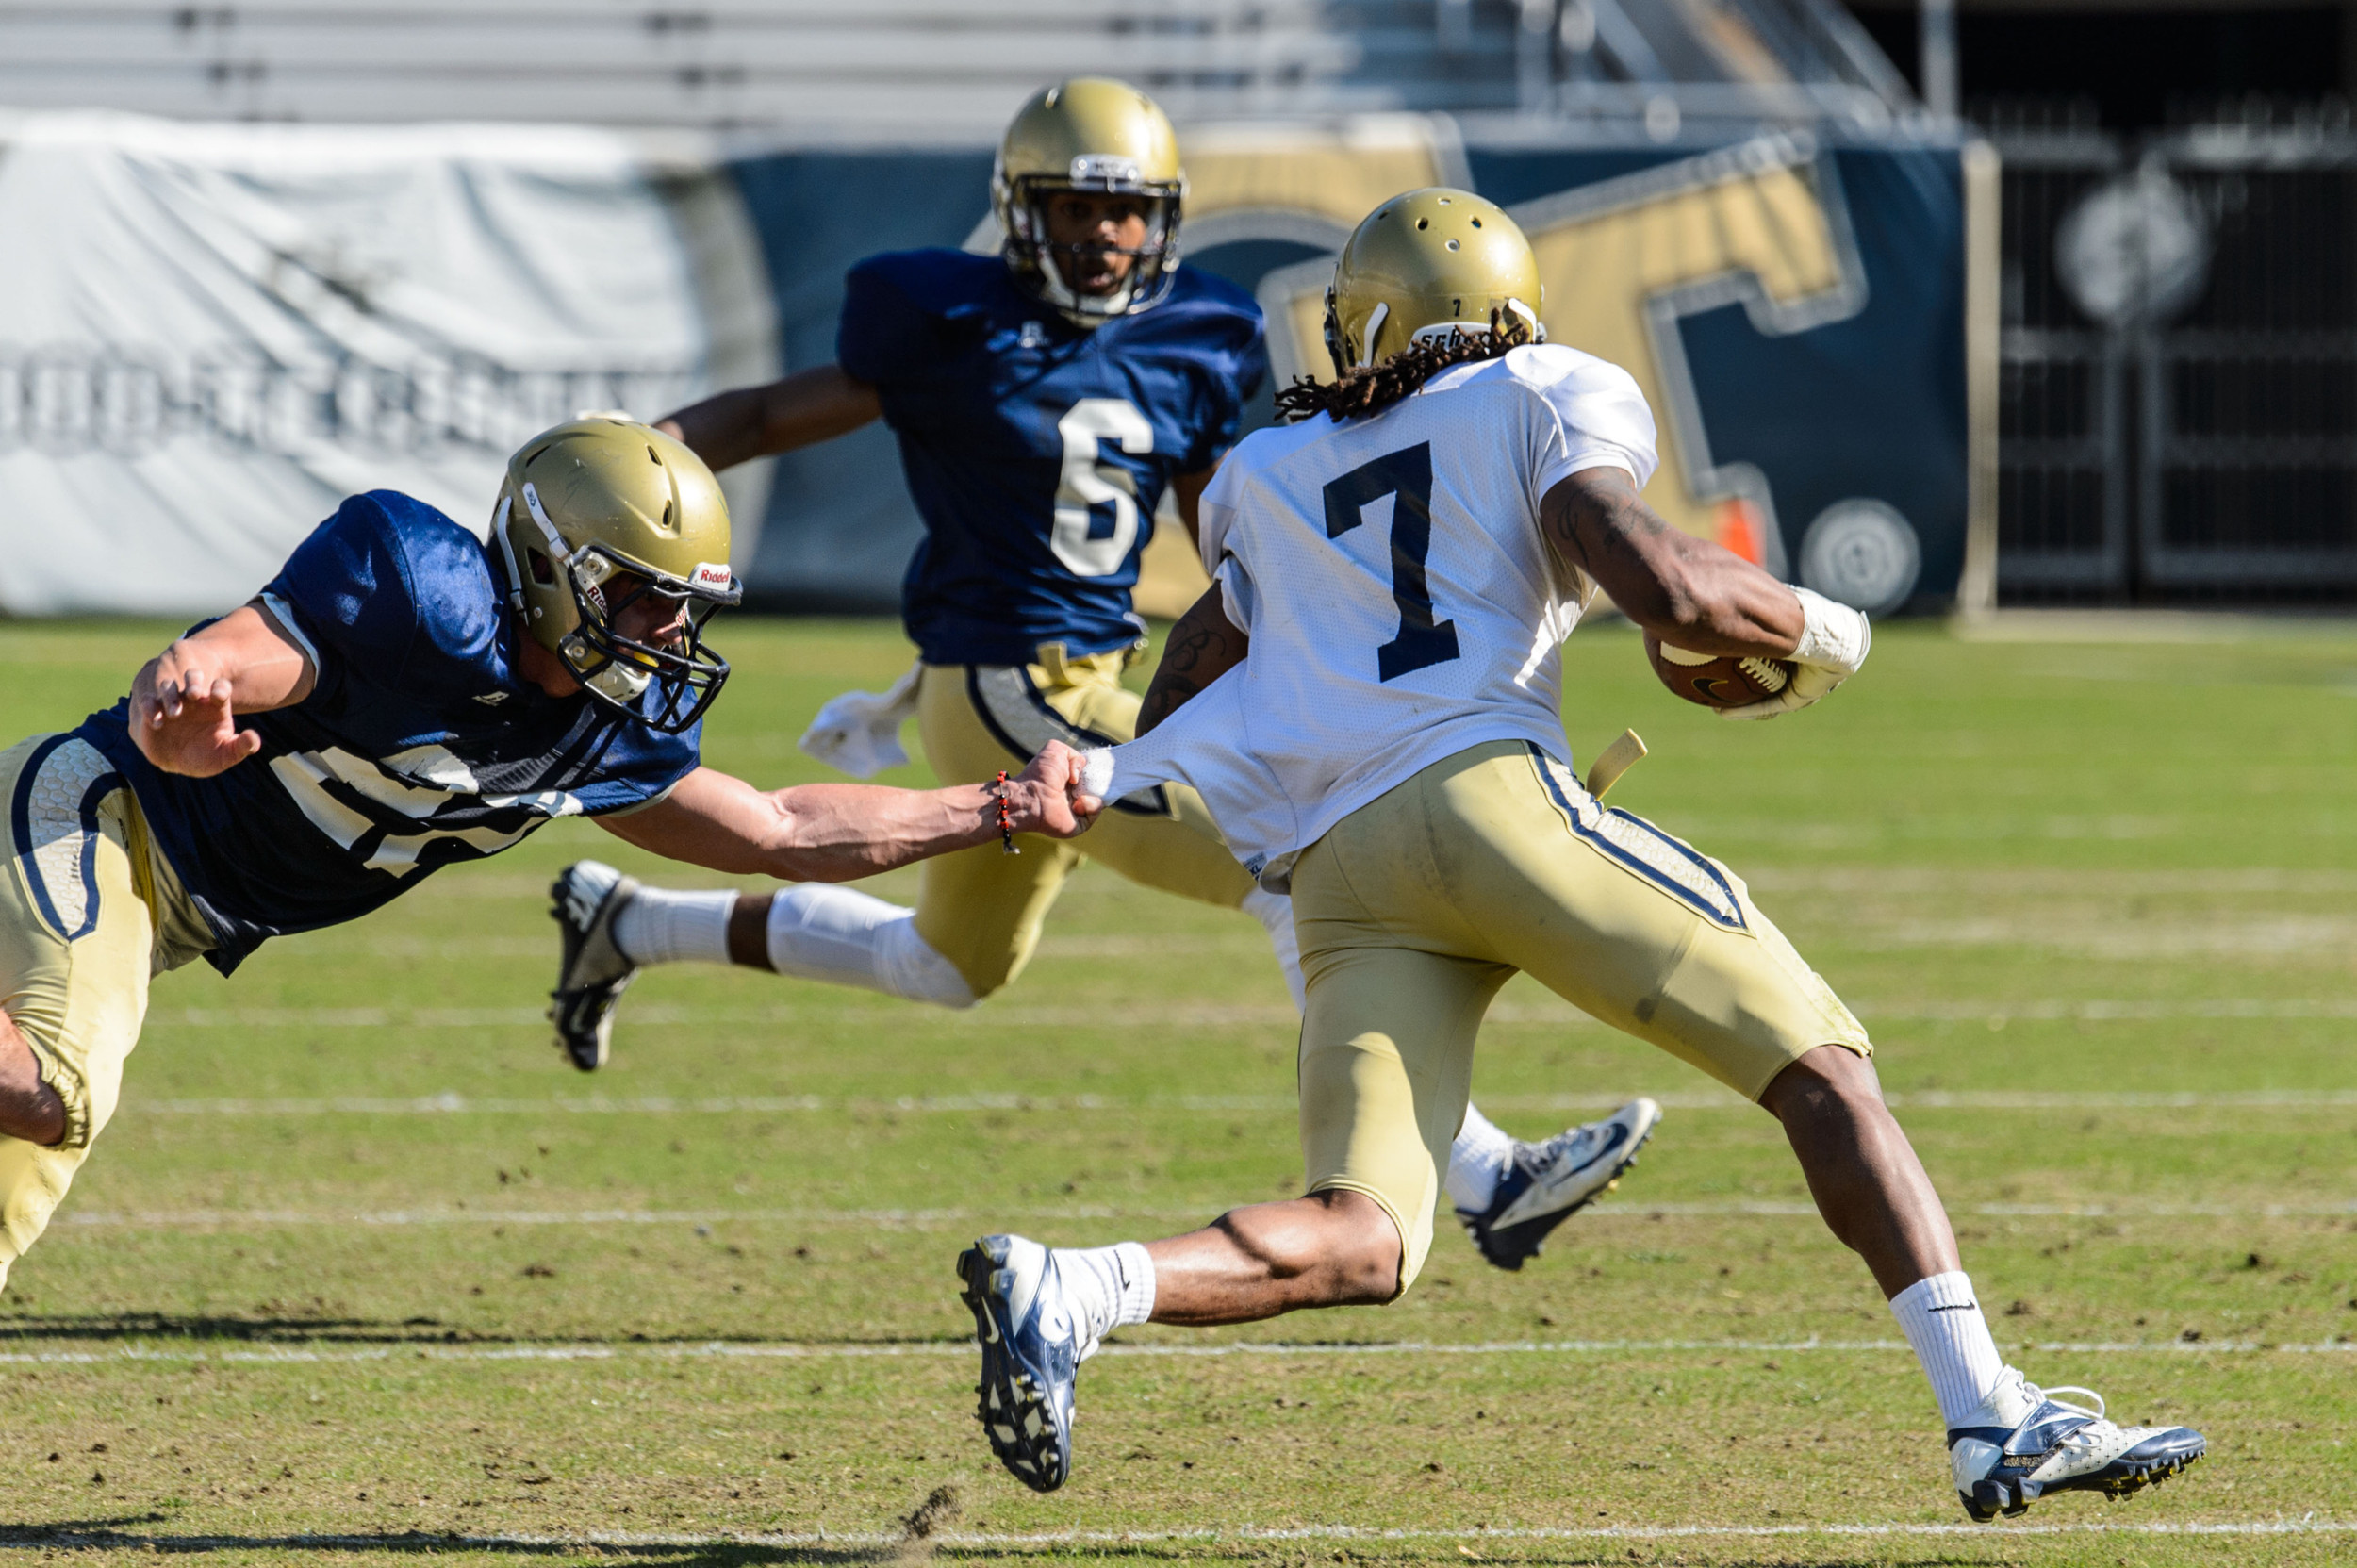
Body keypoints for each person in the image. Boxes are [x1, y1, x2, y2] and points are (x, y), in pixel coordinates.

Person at [949, 190, 2208, 1519]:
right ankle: (1991, 1411)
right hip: (1490, 804)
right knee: (1821, 1065)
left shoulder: (1270, 469)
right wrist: (1830, 631)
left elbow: (1183, 696)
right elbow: (1663, 579)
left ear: (1362, 318)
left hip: (1346, 874)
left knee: (1369, 1230)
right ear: (1505, 308)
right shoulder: (1537, 385)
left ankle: (1076, 1284)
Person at [548, 78, 1658, 1273]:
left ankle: (627, 920)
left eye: (1125, 212)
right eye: (1074, 207)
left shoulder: (1196, 332)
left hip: (1072, 676)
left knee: (953, 964)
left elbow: (1238, 539)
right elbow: (771, 410)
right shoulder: (944, 318)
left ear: (1166, 219)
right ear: (1020, 211)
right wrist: (619, 470)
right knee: (1295, 866)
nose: (1101, 234)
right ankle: (1483, 1171)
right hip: (1009, 684)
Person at [0, 417, 1100, 1293]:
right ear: (548, 561)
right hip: (98, 819)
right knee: (53, 1087)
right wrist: (173, 719)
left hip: (161, 911)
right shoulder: (414, 594)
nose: (669, 634)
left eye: (683, 609)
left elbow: (780, 830)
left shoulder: (604, 728)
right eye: (643, 597)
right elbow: (209, 667)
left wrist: (994, 803)